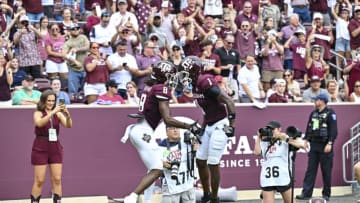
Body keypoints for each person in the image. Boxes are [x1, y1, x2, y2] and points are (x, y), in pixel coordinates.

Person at [122, 60, 202, 203]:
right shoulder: (161, 88)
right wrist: (190, 126)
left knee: (155, 168)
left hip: (139, 130)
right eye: (170, 76)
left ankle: (142, 199)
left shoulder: (150, 85)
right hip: (143, 132)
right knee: (158, 168)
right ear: (163, 76)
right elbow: (168, 119)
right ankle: (132, 197)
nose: (172, 79)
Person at [178, 56, 236, 203]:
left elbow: (228, 101)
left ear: (193, 71)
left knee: (212, 162)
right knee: (200, 161)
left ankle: (215, 198)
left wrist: (232, 125)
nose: (183, 76)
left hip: (220, 124)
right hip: (209, 124)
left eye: (185, 72)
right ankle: (206, 194)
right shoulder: (196, 86)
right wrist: (203, 128)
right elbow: (206, 110)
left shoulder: (205, 81)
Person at [30, 90, 72, 203]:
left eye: (53, 101)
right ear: (43, 100)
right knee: (39, 180)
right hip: (40, 146)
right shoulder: (38, 112)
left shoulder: (58, 113)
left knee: (57, 179)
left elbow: (69, 125)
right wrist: (53, 112)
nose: (51, 103)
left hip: (55, 147)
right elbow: (39, 123)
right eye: (48, 100)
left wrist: (67, 115)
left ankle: (57, 200)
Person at [296, 93, 338, 201]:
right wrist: (305, 140)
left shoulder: (330, 113)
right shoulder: (313, 113)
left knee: (326, 171)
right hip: (314, 145)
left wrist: (330, 143)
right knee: (310, 170)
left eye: (316, 100)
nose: (315, 102)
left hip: (325, 146)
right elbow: (309, 128)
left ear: (322, 101)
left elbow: (334, 131)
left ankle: (326, 194)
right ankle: (306, 193)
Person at [254, 120, 305, 203]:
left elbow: (302, 145)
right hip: (268, 179)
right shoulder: (265, 142)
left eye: (273, 129)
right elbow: (257, 152)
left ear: (279, 129)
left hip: (283, 177)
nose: (271, 131)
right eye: (269, 129)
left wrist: (287, 139)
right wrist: (258, 138)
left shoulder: (286, 140)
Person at [159, 125, 197, 203]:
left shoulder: (187, 142)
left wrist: (195, 147)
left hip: (187, 185)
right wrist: (163, 164)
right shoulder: (161, 146)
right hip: (170, 185)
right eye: (172, 128)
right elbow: (154, 163)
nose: (175, 130)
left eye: (177, 128)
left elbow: (200, 156)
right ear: (166, 132)